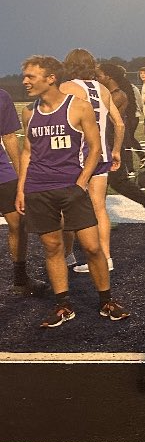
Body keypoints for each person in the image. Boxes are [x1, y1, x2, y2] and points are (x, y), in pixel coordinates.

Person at [16, 55, 129, 328]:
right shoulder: (29, 112)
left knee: (92, 247)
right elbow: (28, 151)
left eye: (31, 76)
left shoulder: (78, 106)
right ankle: (63, 305)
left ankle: (106, 301)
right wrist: (21, 188)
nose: (25, 81)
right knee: (52, 247)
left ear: (51, 77)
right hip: (38, 190)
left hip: (72, 187)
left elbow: (95, 147)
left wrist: (81, 182)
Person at [58, 49, 125, 275]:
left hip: (77, 158)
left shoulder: (66, 87)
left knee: (67, 208)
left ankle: (67, 255)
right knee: (99, 208)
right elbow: (120, 124)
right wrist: (116, 150)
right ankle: (106, 258)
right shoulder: (103, 88)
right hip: (102, 155)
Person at [95, 61, 145, 229]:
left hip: (112, 143)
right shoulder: (107, 93)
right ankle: (100, 218)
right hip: (107, 142)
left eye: (98, 76)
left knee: (115, 181)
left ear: (109, 77)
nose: (96, 79)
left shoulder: (117, 95)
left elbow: (105, 120)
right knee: (107, 182)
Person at [2, 87, 46, 297]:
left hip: (2, 172)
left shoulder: (2, 96)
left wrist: (22, 178)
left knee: (18, 223)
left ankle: (20, 279)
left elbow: (9, 137)